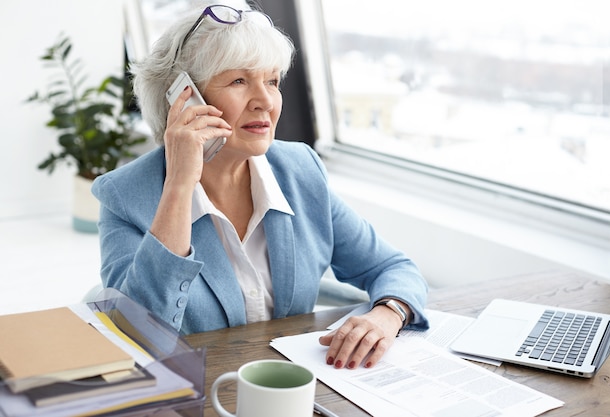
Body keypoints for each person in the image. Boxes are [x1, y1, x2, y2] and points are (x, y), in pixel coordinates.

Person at [92, 0, 429, 370]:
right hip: (195, 395)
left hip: (290, 387)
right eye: (239, 81)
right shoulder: (124, 195)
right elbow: (136, 337)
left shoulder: (300, 170)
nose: (266, 101)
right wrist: (179, 186)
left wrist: (387, 314)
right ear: (182, 98)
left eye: (271, 81)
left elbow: (393, 267)